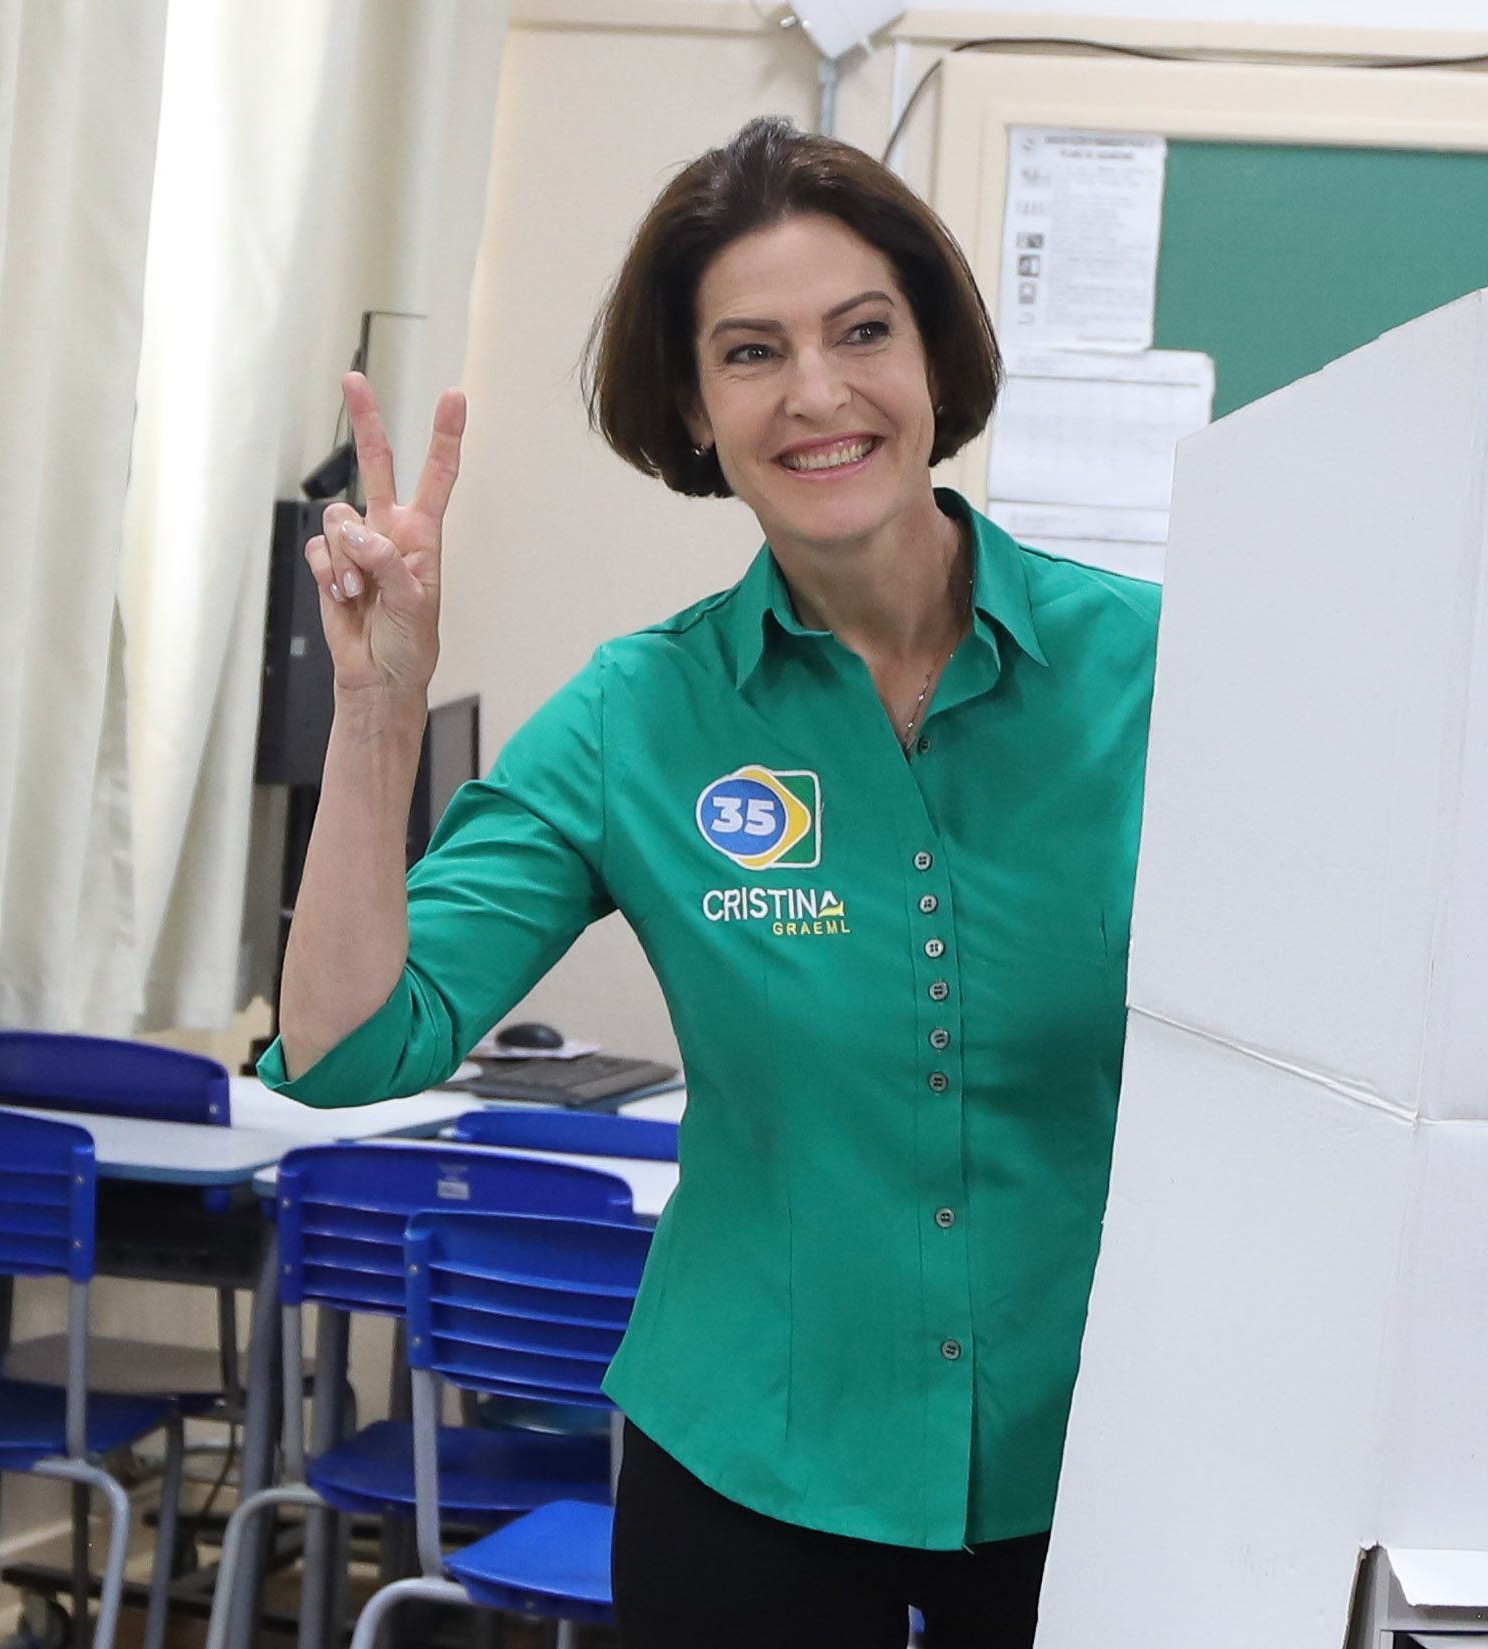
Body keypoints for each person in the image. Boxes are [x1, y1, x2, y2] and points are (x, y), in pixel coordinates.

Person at [260, 116, 1160, 1646]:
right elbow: (349, 1049)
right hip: (751, 1456)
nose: (815, 391)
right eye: (751, 352)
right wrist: (376, 708)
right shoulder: (638, 716)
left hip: (1100, 1455)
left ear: (933, 355)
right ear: (692, 404)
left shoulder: (1155, 671)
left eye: (861, 331)